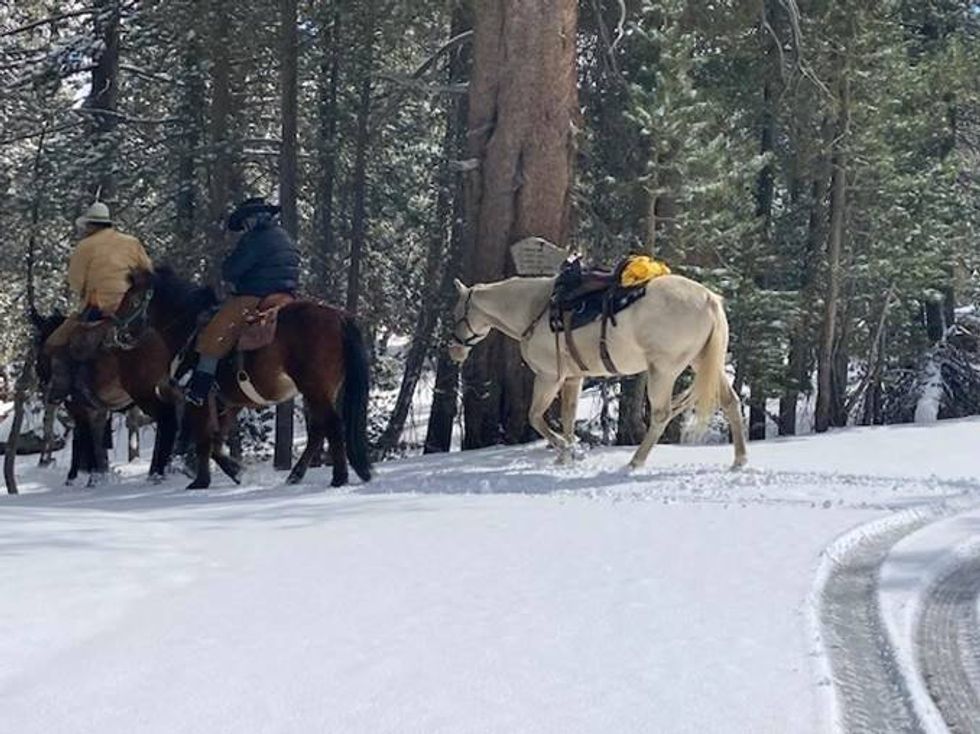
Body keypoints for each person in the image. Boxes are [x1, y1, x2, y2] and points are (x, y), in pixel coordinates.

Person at [184, 197, 300, 407]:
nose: (245, 226)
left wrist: (230, 270)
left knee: (216, 330)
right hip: (287, 295)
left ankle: (200, 386)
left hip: (256, 294)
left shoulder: (255, 239)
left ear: (252, 218)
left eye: (246, 221)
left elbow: (232, 270)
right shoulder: (284, 236)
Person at [44, 200, 154, 401]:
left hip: (98, 308)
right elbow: (148, 271)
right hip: (132, 309)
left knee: (55, 343)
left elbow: (76, 281)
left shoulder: (85, 246)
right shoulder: (132, 242)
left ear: (90, 225)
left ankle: (61, 388)